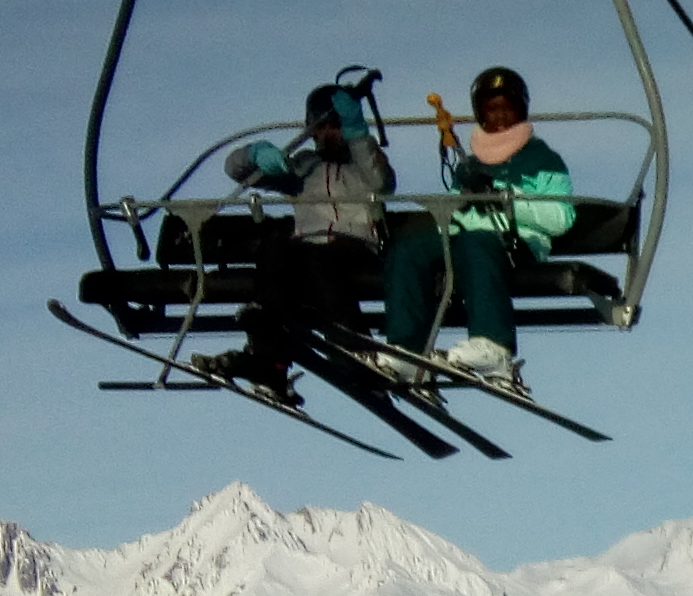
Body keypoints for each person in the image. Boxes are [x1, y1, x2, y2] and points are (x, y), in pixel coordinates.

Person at [202, 77, 394, 401]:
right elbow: (237, 171)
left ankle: (354, 348)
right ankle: (268, 361)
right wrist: (254, 154)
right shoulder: (303, 167)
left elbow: (381, 183)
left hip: (353, 246)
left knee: (313, 258)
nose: (329, 134)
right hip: (307, 252)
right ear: (311, 130)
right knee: (276, 246)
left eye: (337, 126)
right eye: (322, 127)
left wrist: (359, 134)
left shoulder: (364, 163)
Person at [386, 65, 575, 388]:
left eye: (507, 108)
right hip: (464, 238)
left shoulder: (543, 160)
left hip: (515, 242)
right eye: (491, 109)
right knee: (410, 248)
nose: (499, 116)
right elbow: (458, 203)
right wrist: (455, 202)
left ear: (519, 111)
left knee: (477, 241)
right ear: (480, 114)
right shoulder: (473, 163)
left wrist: (508, 200)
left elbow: (561, 218)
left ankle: (494, 345)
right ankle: (407, 349)